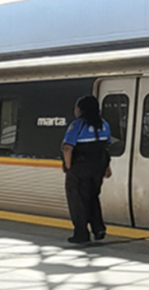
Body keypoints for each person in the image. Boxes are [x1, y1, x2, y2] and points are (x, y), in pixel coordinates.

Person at [61, 95, 112, 244]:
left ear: (81, 109)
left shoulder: (77, 125)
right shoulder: (104, 124)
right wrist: (107, 167)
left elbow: (67, 148)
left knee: (77, 200)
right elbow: (105, 147)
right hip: (98, 168)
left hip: (80, 168)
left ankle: (81, 233)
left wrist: (69, 167)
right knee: (92, 197)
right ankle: (98, 228)